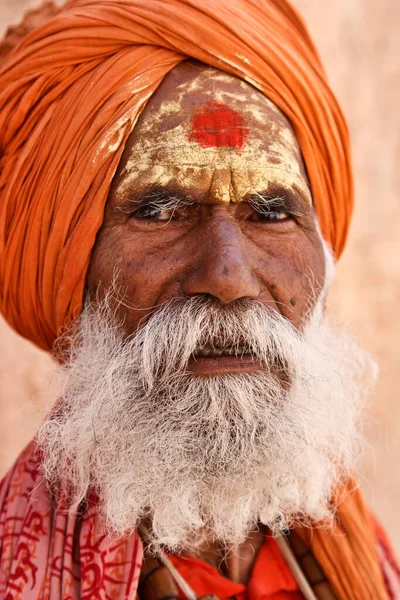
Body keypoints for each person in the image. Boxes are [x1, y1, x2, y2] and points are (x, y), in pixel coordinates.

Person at [0, 0, 398, 598]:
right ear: (70, 268)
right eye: (159, 211)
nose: (228, 274)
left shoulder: (357, 558)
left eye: (271, 212)